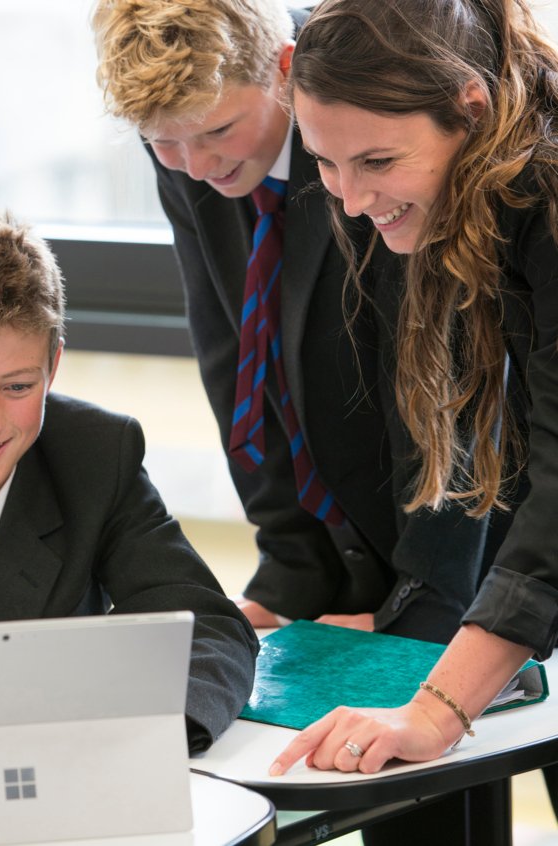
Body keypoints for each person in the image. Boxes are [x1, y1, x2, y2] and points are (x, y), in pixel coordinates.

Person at [91, 0, 498, 644]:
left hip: (468, 556)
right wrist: (291, 571)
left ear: (286, 71)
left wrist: (423, 606)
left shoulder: (361, 119)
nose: (196, 167)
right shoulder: (190, 139)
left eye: (218, 132)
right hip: (351, 542)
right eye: (163, 142)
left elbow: (445, 384)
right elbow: (236, 354)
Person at [0, 207, 259, 778]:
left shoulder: (95, 458)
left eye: (18, 386)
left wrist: (135, 737)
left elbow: (211, 629)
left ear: (53, 366)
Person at [270, 0, 558, 786]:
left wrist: (435, 712)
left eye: (376, 163)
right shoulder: (485, 193)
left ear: (471, 107)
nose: (352, 201)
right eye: (325, 163)